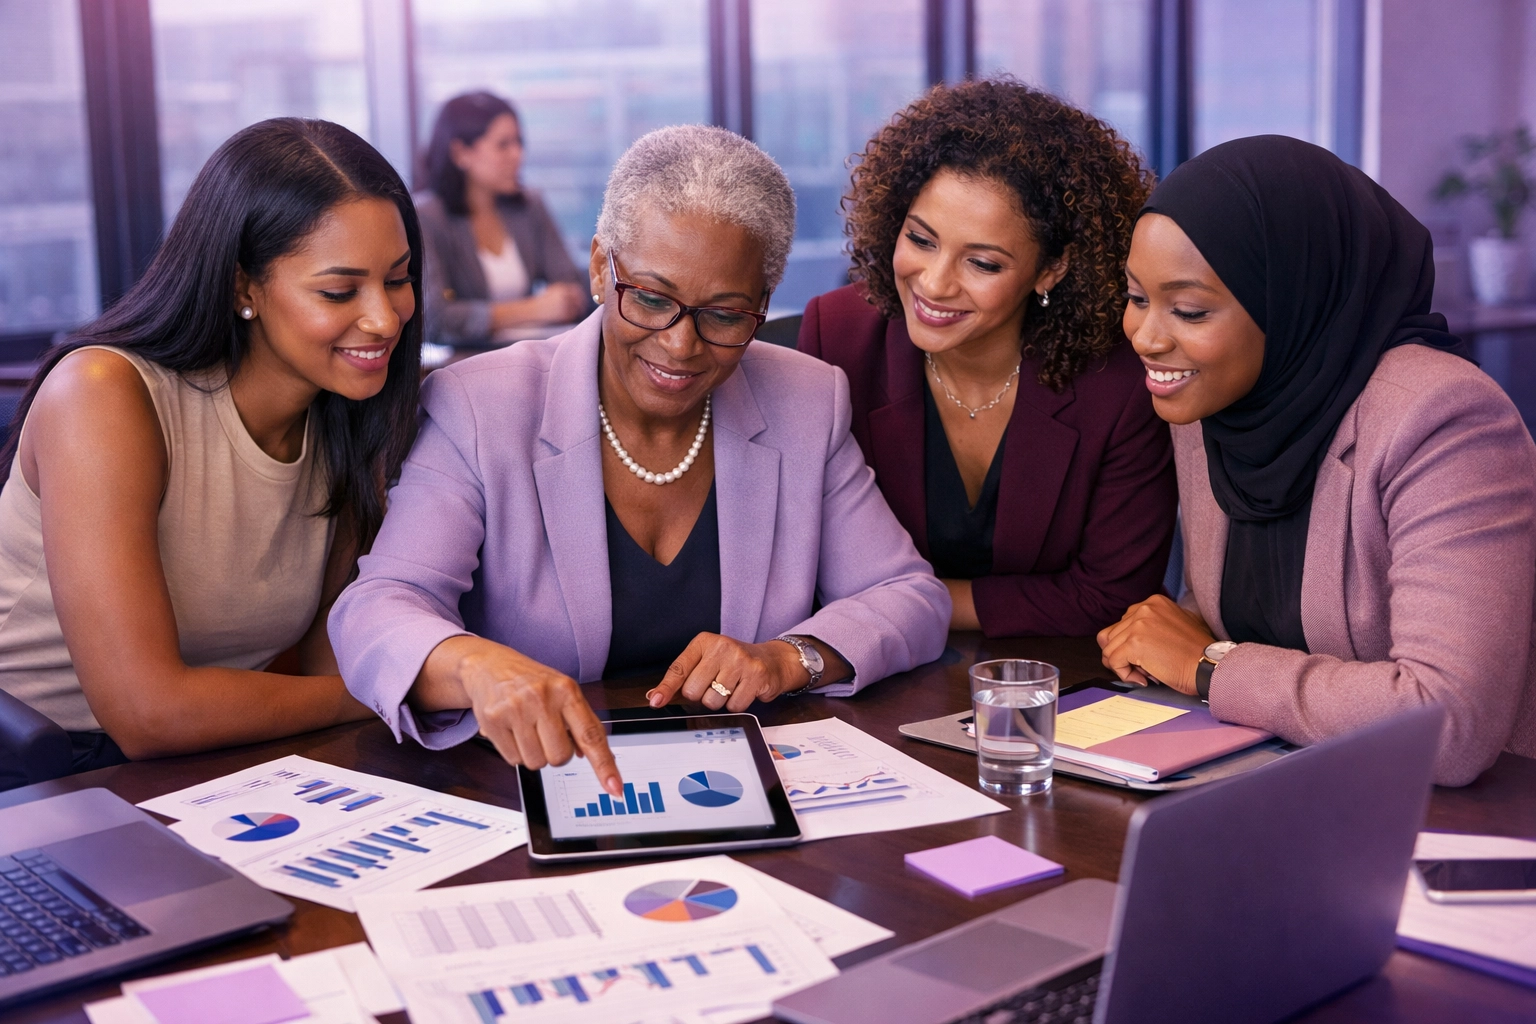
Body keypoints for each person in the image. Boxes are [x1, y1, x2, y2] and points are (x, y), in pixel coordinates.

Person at [330, 125, 950, 793]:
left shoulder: (806, 399)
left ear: (763, 305)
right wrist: (474, 665)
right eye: (651, 299)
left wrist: (786, 659)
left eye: (724, 314)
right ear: (601, 267)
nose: (680, 345)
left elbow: (910, 596)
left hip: (737, 794)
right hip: (540, 795)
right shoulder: (479, 407)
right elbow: (377, 608)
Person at [1096, 134, 1536, 787]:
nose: (1147, 336)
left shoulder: (1445, 420)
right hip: (1283, 783)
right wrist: (1178, 629)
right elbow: (1250, 604)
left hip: (1462, 824)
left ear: (1290, 295)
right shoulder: (1215, 405)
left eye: (1187, 309)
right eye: (1136, 297)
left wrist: (1212, 665)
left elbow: (1447, 726)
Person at [0, 118, 422, 782]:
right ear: (242, 287)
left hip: (212, 757)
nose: (386, 317)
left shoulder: (350, 418)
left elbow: (317, 662)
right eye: (339, 291)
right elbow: (148, 713)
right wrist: (389, 690)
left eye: (398, 279)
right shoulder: (103, 395)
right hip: (42, 773)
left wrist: (373, 687)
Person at [799, 79, 1178, 638]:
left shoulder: (1117, 381)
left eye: (982, 263)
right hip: (872, 676)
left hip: (1059, 685)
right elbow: (807, 563)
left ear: (1052, 269)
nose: (933, 283)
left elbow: (1112, 598)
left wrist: (907, 603)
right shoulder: (839, 337)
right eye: (921, 240)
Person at [417, 91, 590, 346]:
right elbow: (436, 319)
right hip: (465, 362)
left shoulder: (529, 206)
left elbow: (570, 287)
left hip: (532, 352)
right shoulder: (427, 218)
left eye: (519, 142)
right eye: (503, 144)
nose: (517, 154)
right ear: (461, 153)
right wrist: (534, 309)